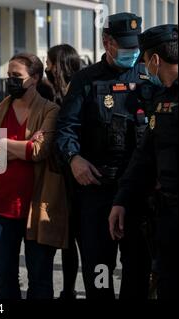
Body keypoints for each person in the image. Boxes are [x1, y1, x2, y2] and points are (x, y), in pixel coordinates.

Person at [56, 13, 153, 299]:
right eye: (124, 47)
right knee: (99, 268)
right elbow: (65, 130)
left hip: (137, 192)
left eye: (135, 46)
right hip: (97, 191)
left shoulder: (149, 75)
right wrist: (74, 158)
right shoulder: (86, 80)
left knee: (137, 267)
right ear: (106, 42)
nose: (131, 52)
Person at [0, 53, 68, 299]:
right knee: (3, 277)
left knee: (40, 280)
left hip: (36, 207)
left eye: (16, 76)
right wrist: (22, 147)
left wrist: (4, 143)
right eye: (9, 75)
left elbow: (38, 151)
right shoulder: (1, 108)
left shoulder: (50, 110)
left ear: (35, 78)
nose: (10, 80)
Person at [109, 24, 178, 300]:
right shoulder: (163, 99)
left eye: (145, 60)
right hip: (167, 216)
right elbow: (145, 156)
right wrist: (121, 200)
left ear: (155, 60)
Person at [45, 44, 82, 300]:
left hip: (78, 177)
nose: (47, 68)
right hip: (60, 177)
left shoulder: (80, 91)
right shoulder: (51, 94)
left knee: (83, 240)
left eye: (50, 63)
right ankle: (67, 290)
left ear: (60, 64)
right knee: (67, 241)